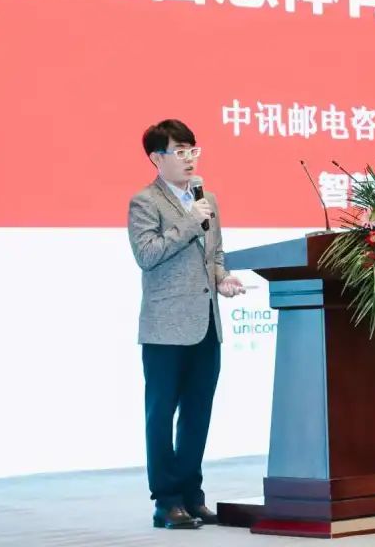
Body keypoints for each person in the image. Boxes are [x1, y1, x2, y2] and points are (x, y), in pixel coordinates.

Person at [127, 119, 245, 529]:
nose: (189, 159)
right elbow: (147, 254)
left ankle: (193, 496)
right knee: (161, 415)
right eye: (180, 151)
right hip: (165, 328)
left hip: (206, 324)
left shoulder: (206, 198)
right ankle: (166, 501)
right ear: (156, 158)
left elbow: (216, 253)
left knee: (197, 413)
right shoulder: (145, 202)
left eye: (193, 150)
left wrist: (222, 278)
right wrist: (191, 221)